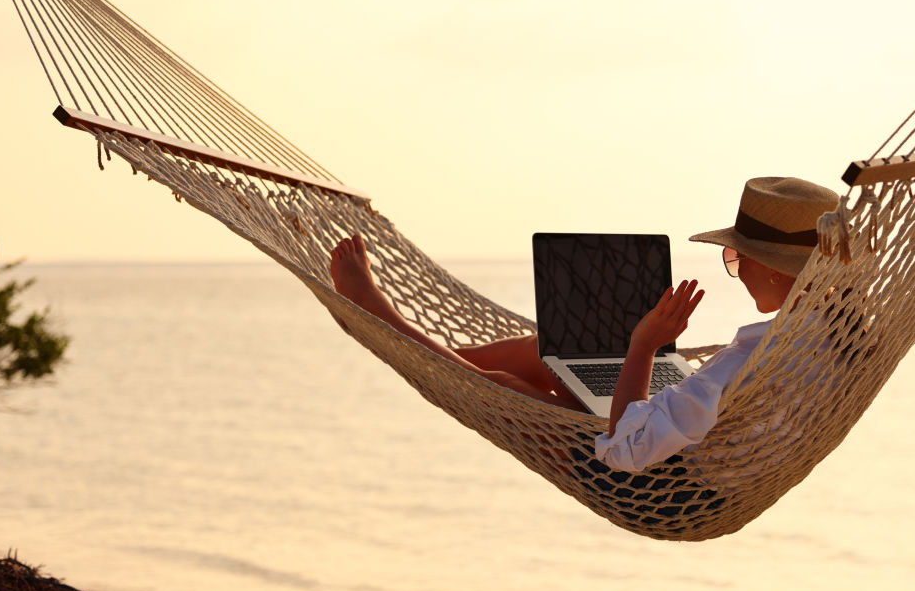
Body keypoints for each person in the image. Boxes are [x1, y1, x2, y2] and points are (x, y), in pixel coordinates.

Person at [329, 176, 839, 472]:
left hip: (667, 484)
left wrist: (643, 346)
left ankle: (379, 318)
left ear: (774, 267)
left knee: (505, 388)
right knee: (546, 352)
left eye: (736, 255)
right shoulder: (824, 333)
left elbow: (624, 448)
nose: (734, 265)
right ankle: (406, 344)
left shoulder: (749, 359)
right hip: (690, 440)